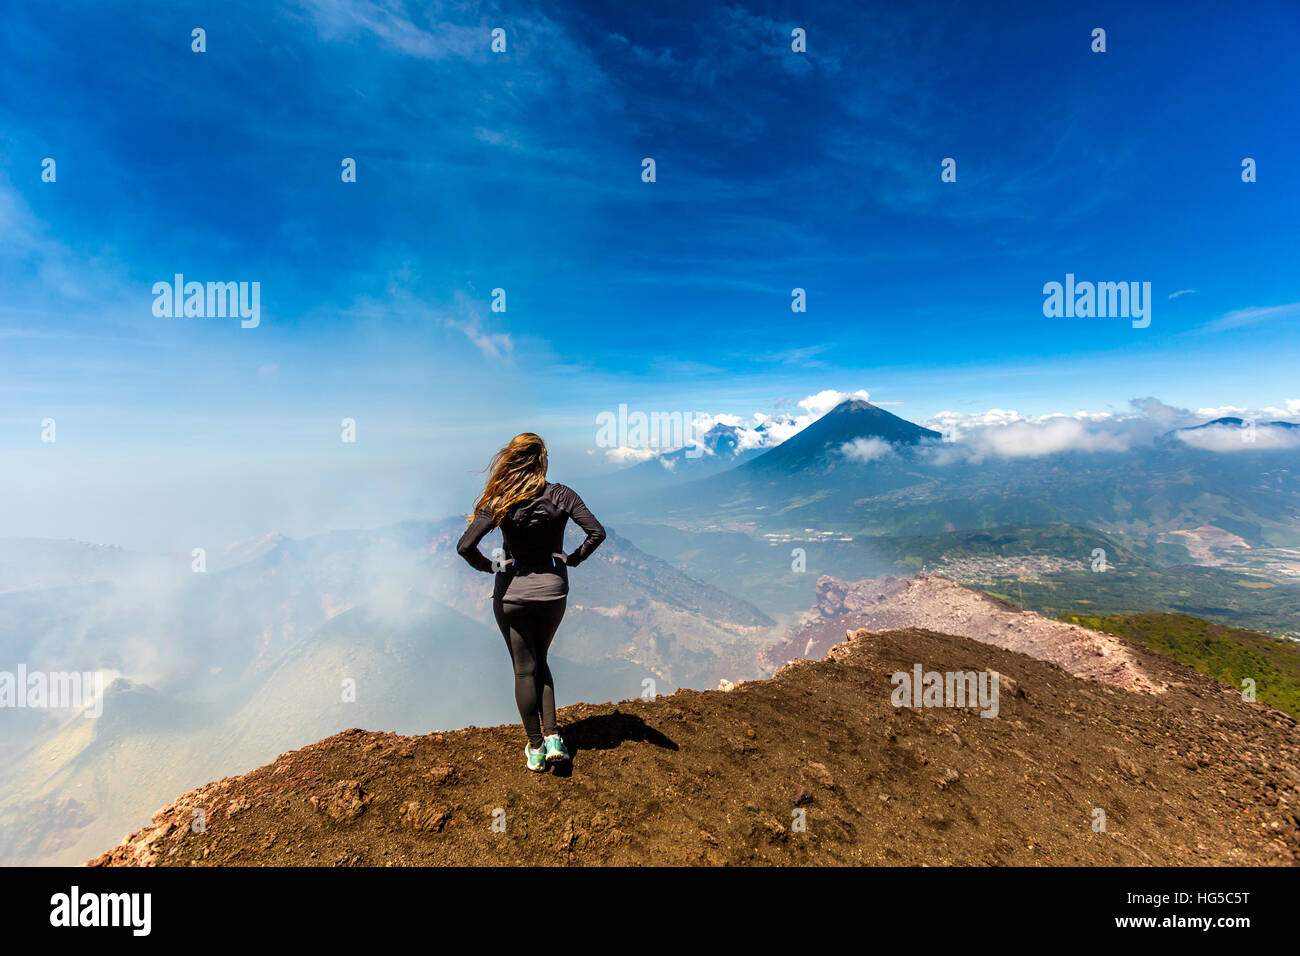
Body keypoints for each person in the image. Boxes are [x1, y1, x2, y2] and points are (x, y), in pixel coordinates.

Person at [456, 433, 606, 772]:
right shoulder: (561, 494)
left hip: (512, 595)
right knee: (542, 660)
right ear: (542, 460)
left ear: (513, 459)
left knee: (524, 668)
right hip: (553, 593)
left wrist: (492, 566)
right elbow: (597, 532)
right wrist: (573, 559)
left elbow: (465, 547)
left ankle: (536, 747)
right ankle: (554, 738)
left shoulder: (500, 499)